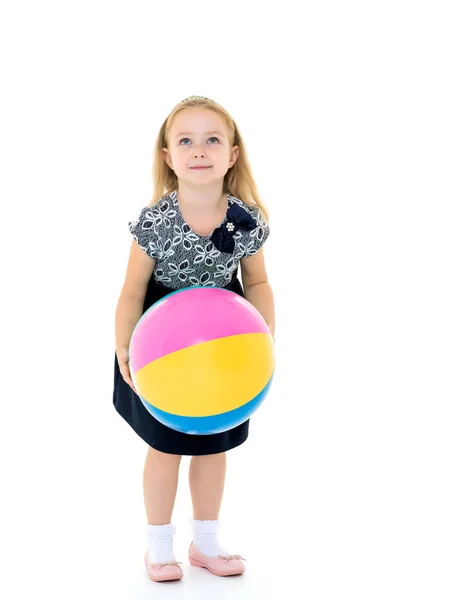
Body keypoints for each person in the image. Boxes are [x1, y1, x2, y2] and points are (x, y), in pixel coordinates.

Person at [113, 95, 275, 583]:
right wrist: (125, 348)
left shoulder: (245, 220)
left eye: (212, 139)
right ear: (167, 156)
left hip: (225, 347)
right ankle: (158, 548)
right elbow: (131, 290)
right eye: (185, 140)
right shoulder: (155, 221)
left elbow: (259, 285)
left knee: (212, 448)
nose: (198, 150)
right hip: (160, 350)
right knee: (165, 447)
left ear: (233, 154)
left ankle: (205, 543)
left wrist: (265, 343)